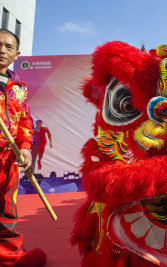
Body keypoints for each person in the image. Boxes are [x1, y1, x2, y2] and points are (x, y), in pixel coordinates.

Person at [0, 29, 46, 266]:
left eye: (8, 47)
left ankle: (8, 254)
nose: (2, 50)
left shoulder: (19, 86)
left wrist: (25, 148)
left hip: (9, 158)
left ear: (16, 54)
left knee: (7, 207)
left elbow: (25, 120)